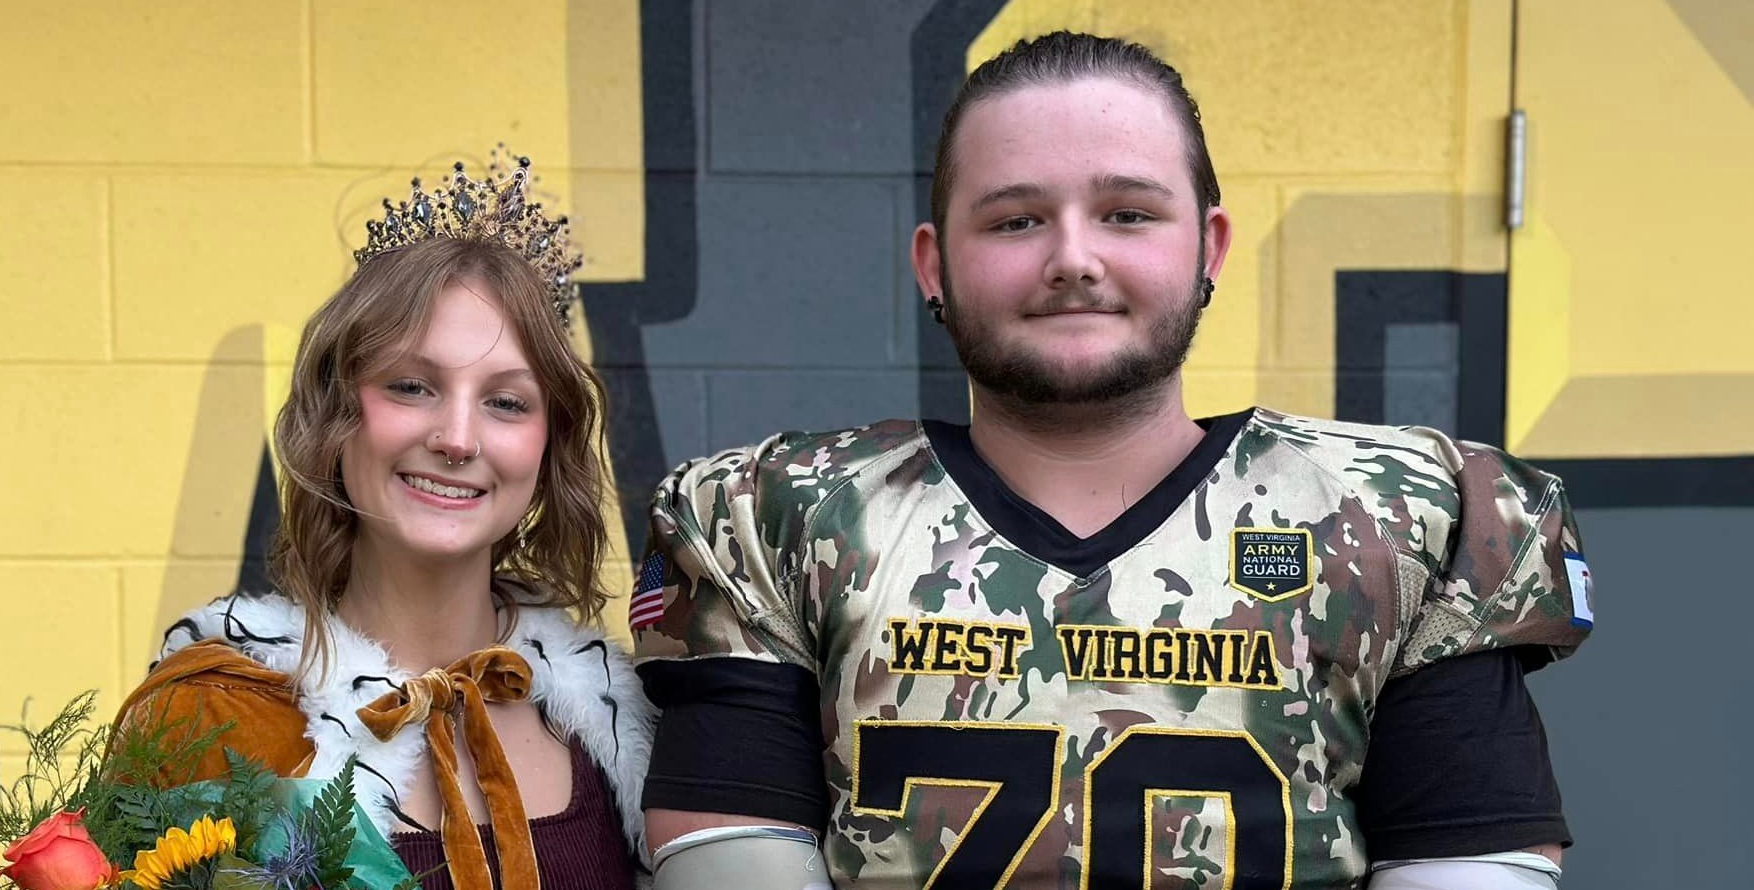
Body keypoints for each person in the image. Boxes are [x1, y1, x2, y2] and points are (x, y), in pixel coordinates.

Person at [631, 32, 1591, 890]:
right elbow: (729, 858)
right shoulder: (776, 518)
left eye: (1128, 213)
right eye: (1015, 220)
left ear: (1209, 247)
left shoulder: (1399, 517)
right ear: (934, 265)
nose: (1073, 258)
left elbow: (1466, 864)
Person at [117, 153, 654, 890]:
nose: (458, 438)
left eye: (506, 401)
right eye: (411, 386)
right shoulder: (209, 715)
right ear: (339, 417)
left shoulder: (624, 732)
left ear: (547, 446)